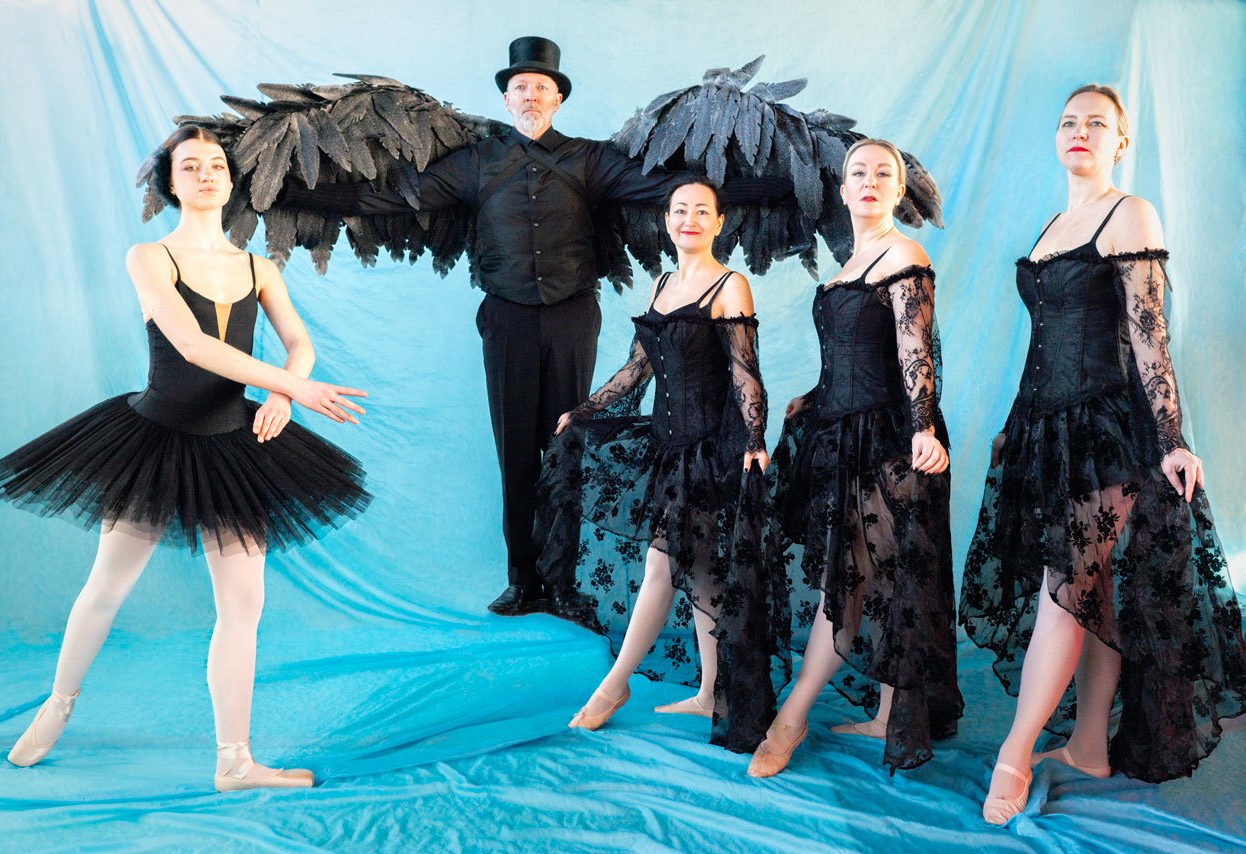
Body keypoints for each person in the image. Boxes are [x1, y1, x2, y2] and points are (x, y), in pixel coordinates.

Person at [277, 37, 782, 617]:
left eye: (542, 87)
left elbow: (672, 189)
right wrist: (288, 192)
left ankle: (563, 584)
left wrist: (782, 188)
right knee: (515, 450)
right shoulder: (477, 162)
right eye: (521, 87)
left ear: (558, 99)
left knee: (567, 447)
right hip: (507, 321)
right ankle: (523, 581)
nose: (531, 95)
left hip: (572, 318)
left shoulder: (590, 160)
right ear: (507, 98)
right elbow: (394, 196)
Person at [0, 125, 371, 791]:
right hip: (156, 441)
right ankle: (57, 706)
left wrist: (286, 392)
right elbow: (194, 347)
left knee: (244, 605)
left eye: (215, 165)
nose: (205, 175)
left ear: (231, 180)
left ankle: (235, 762)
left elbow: (300, 344)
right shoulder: (149, 258)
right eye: (190, 166)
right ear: (170, 183)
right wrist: (297, 388)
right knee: (107, 587)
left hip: (234, 444)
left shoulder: (259, 268)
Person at [958, 85, 1246, 825]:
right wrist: (1015, 424)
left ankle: (1016, 752)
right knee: (1093, 592)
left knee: (1067, 583)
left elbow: (1150, 336)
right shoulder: (1054, 224)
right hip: (1046, 430)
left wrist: (1172, 440)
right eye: (1068, 122)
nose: (1079, 132)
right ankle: (1088, 746)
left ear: (1120, 141)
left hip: (1109, 431)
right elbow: (1043, 341)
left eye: (1096, 123)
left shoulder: (1130, 214)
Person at [532, 177, 780, 753]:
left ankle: (613, 685)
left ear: (719, 223)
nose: (689, 219)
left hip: (708, 450)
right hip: (665, 446)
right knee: (703, 572)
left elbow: (745, 372)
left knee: (662, 566)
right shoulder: (662, 283)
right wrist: (586, 410)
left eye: (702, 211)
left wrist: (754, 438)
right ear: (666, 220)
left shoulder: (731, 285)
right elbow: (638, 368)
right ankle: (711, 691)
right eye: (679, 210)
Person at [746, 139, 962, 778]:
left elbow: (914, 352)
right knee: (880, 579)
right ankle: (890, 713)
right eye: (857, 173)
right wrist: (813, 397)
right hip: (839, 437)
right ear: (841, 191)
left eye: (882, 173)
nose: (869, 181)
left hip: (889, 441)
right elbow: (855, 355)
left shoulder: (905, 255)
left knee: (855, 580)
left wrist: (924, 429)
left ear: (899, 191)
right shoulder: (849, 265)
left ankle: (791, 718)